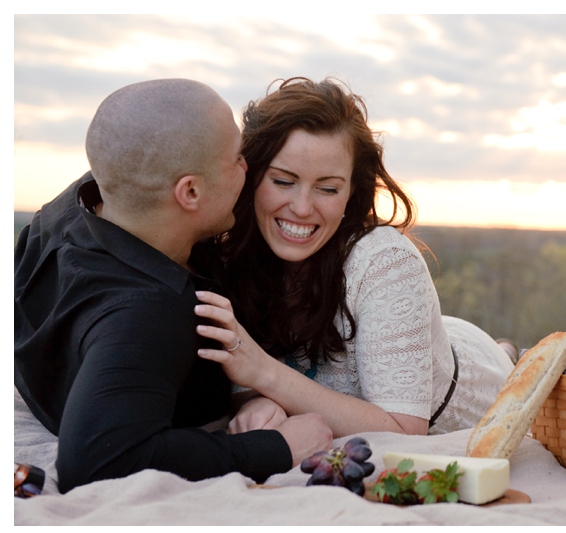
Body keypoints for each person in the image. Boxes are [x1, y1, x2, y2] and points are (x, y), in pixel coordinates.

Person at [14, 79, 332, 494]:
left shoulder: (94, 193)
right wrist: (274, 447)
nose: (247, 168)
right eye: (237, 157)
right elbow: (95, 462)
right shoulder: (146, 311)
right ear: (191, 191)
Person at [194, 77, 515, 438]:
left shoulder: (384, 260)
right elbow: (242, 375)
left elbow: (405, 431)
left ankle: (507, 353)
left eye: (328, 188)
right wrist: (256, 401)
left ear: (352, 192)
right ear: (250, 176)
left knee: (503, 360)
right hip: (434, 334)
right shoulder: (229, 254)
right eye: (283, 181)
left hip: (474, 387)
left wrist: (265, 375)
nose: (301, 208)